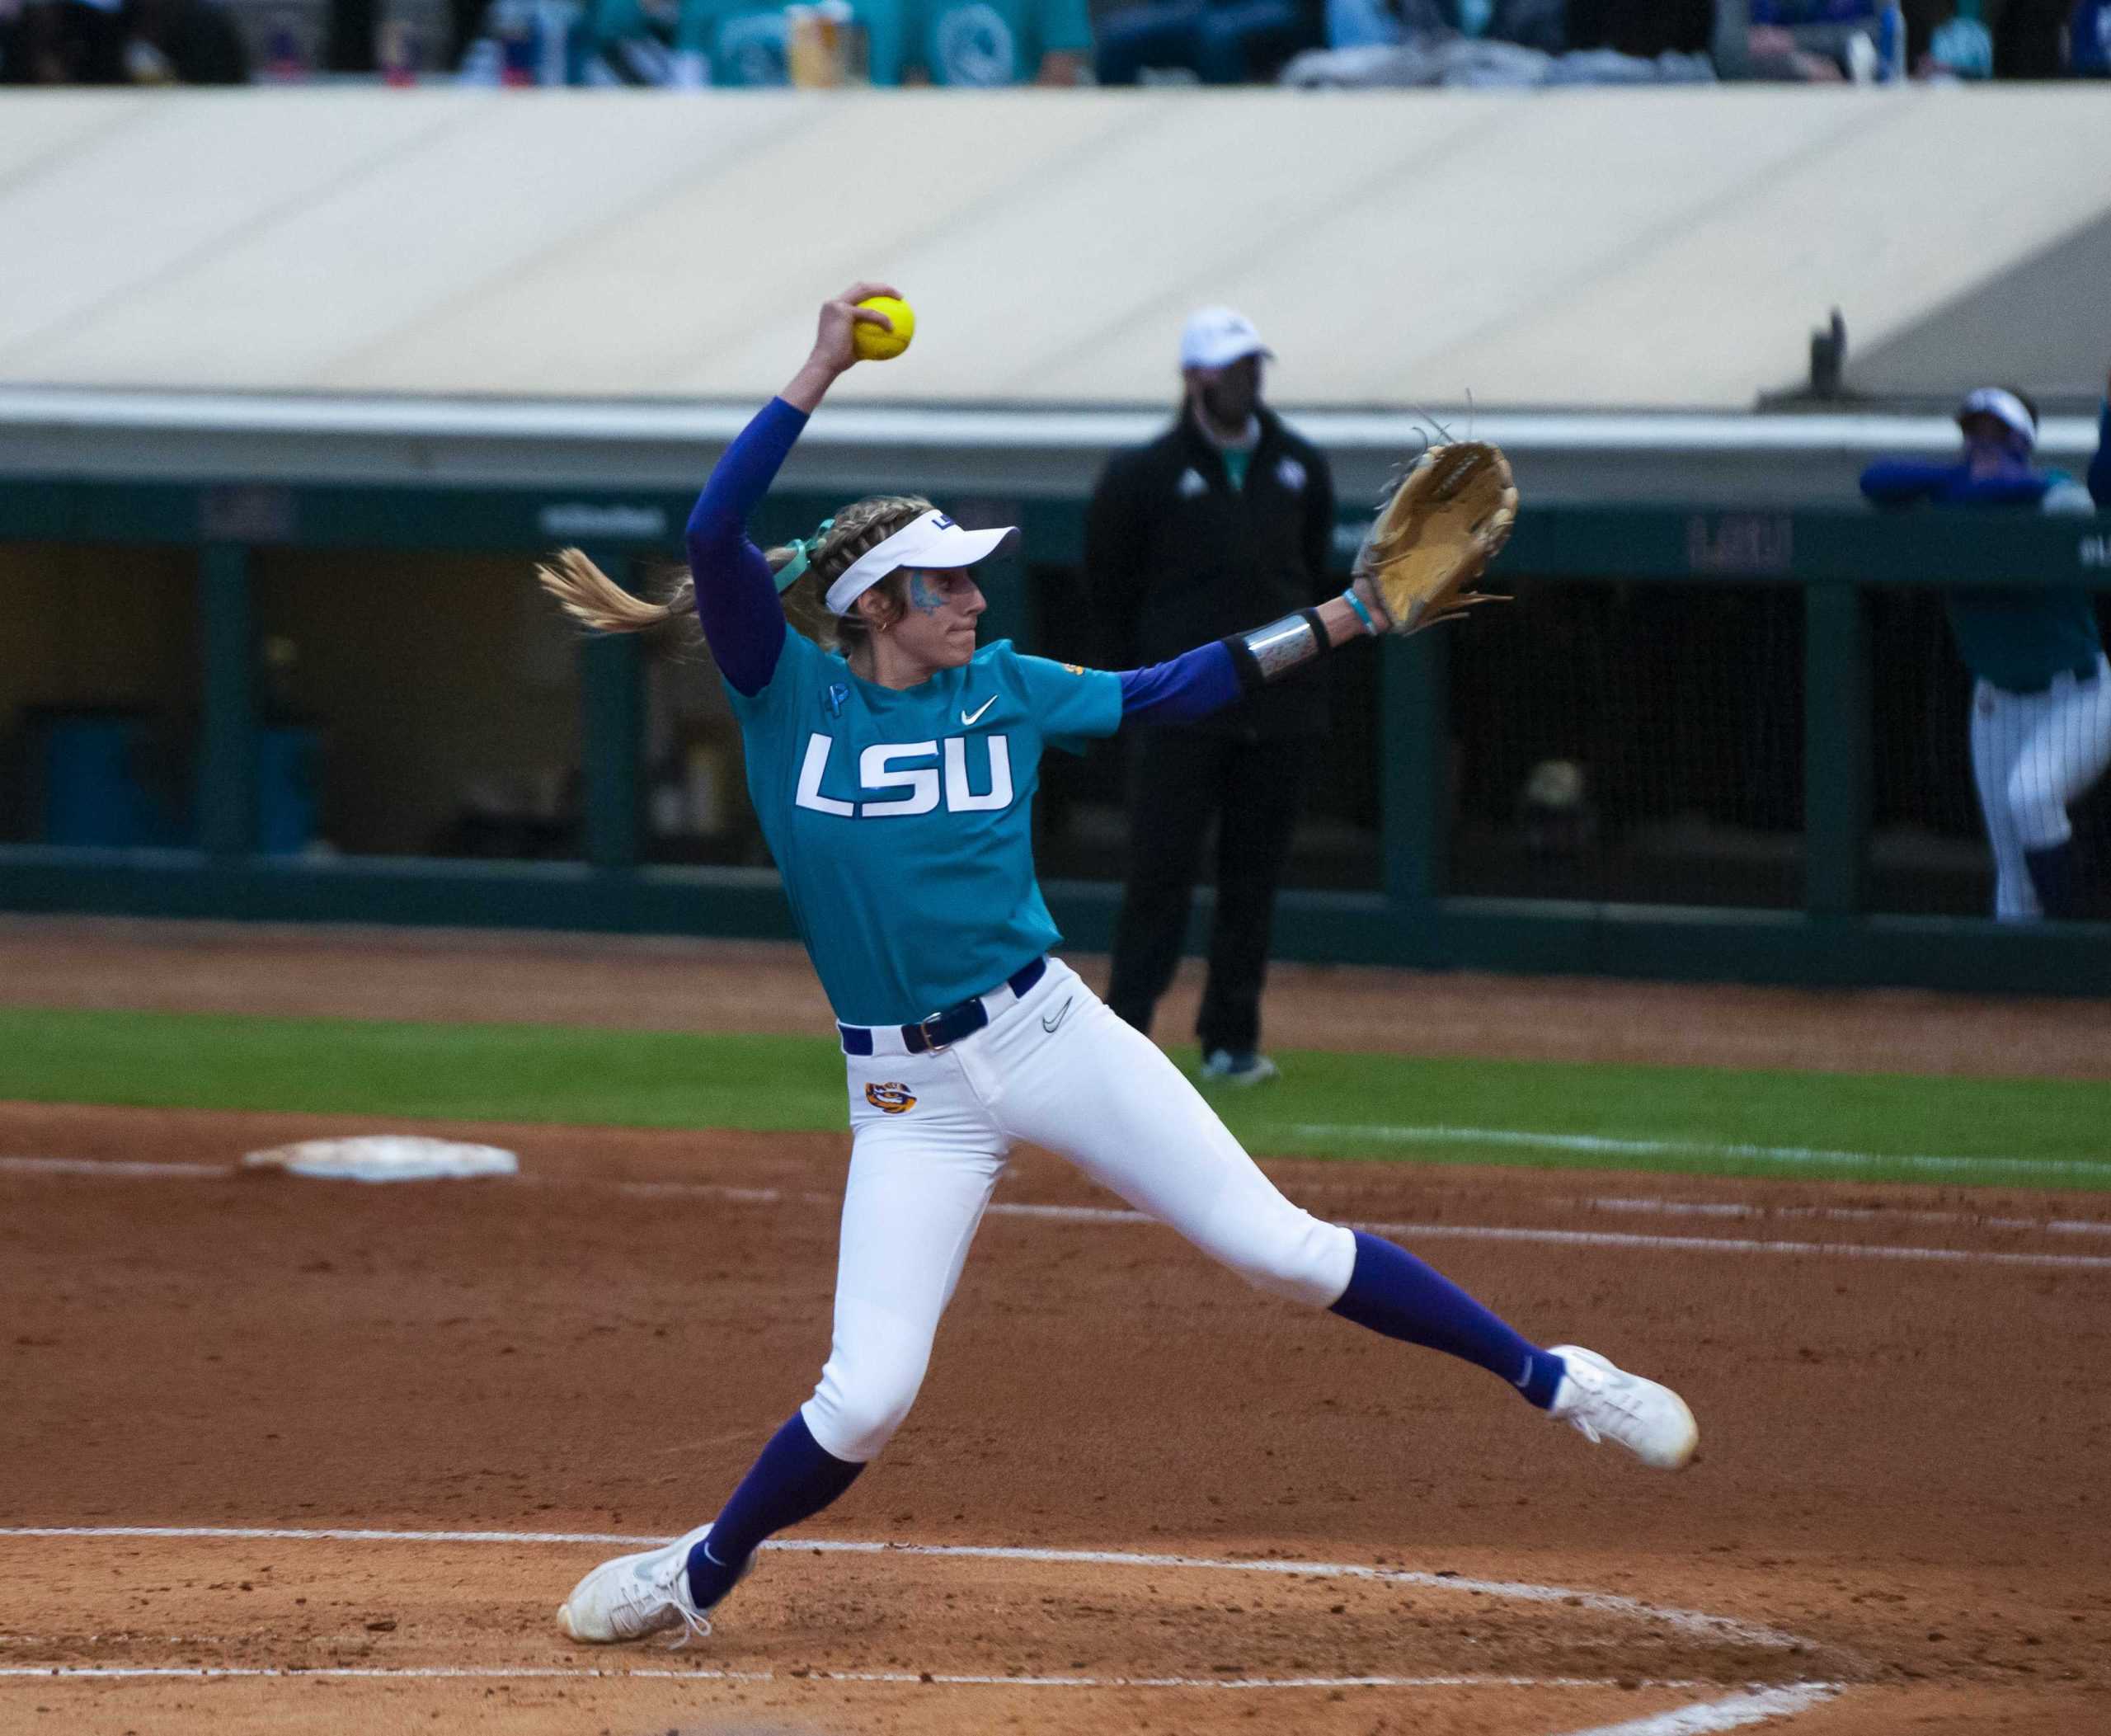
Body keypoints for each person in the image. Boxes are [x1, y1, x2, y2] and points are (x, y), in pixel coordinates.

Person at [536, 284, 1700, 1649]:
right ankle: (700, 1574)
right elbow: (713, 533)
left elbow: (1175, 690)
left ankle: (1561, 1379)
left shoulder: (1008, 684)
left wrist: (1347, 616)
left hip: (1048, 1034)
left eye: (973, 575)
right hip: (908, 1101)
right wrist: (817, 365)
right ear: (874, 605)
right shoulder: (789, 694)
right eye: (947, 581)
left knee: (1283, 1250)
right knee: (863, 1397)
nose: (975, 595)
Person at [1087, 308, 1333, 1087]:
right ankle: (1122, 1038)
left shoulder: (1299, 465)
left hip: (1279, 710)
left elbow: (1315, 573)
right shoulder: (1143, 473)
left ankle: (1231, 1038)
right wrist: (1140, 689)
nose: (1247, 378)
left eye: (1253, 363)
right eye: (1231, 366)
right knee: (1158, 873)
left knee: (1252, 879)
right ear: (1196, 376)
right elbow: (1109, 588)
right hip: (1179, 713)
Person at [1860, 383, 2111, 920]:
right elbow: (1874, 480)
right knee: (2014, 886)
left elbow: (2072, 505)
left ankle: (2072, 944)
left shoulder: (2052, 490)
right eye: (1975, 432)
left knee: (2031, 796)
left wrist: (1976, 484)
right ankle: (2023, 991)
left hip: (2081, 696)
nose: (1983, 443)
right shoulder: (1951, 495)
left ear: (2023, 440)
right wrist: (1953, 478)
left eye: (1997, 433)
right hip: (1996, 704)